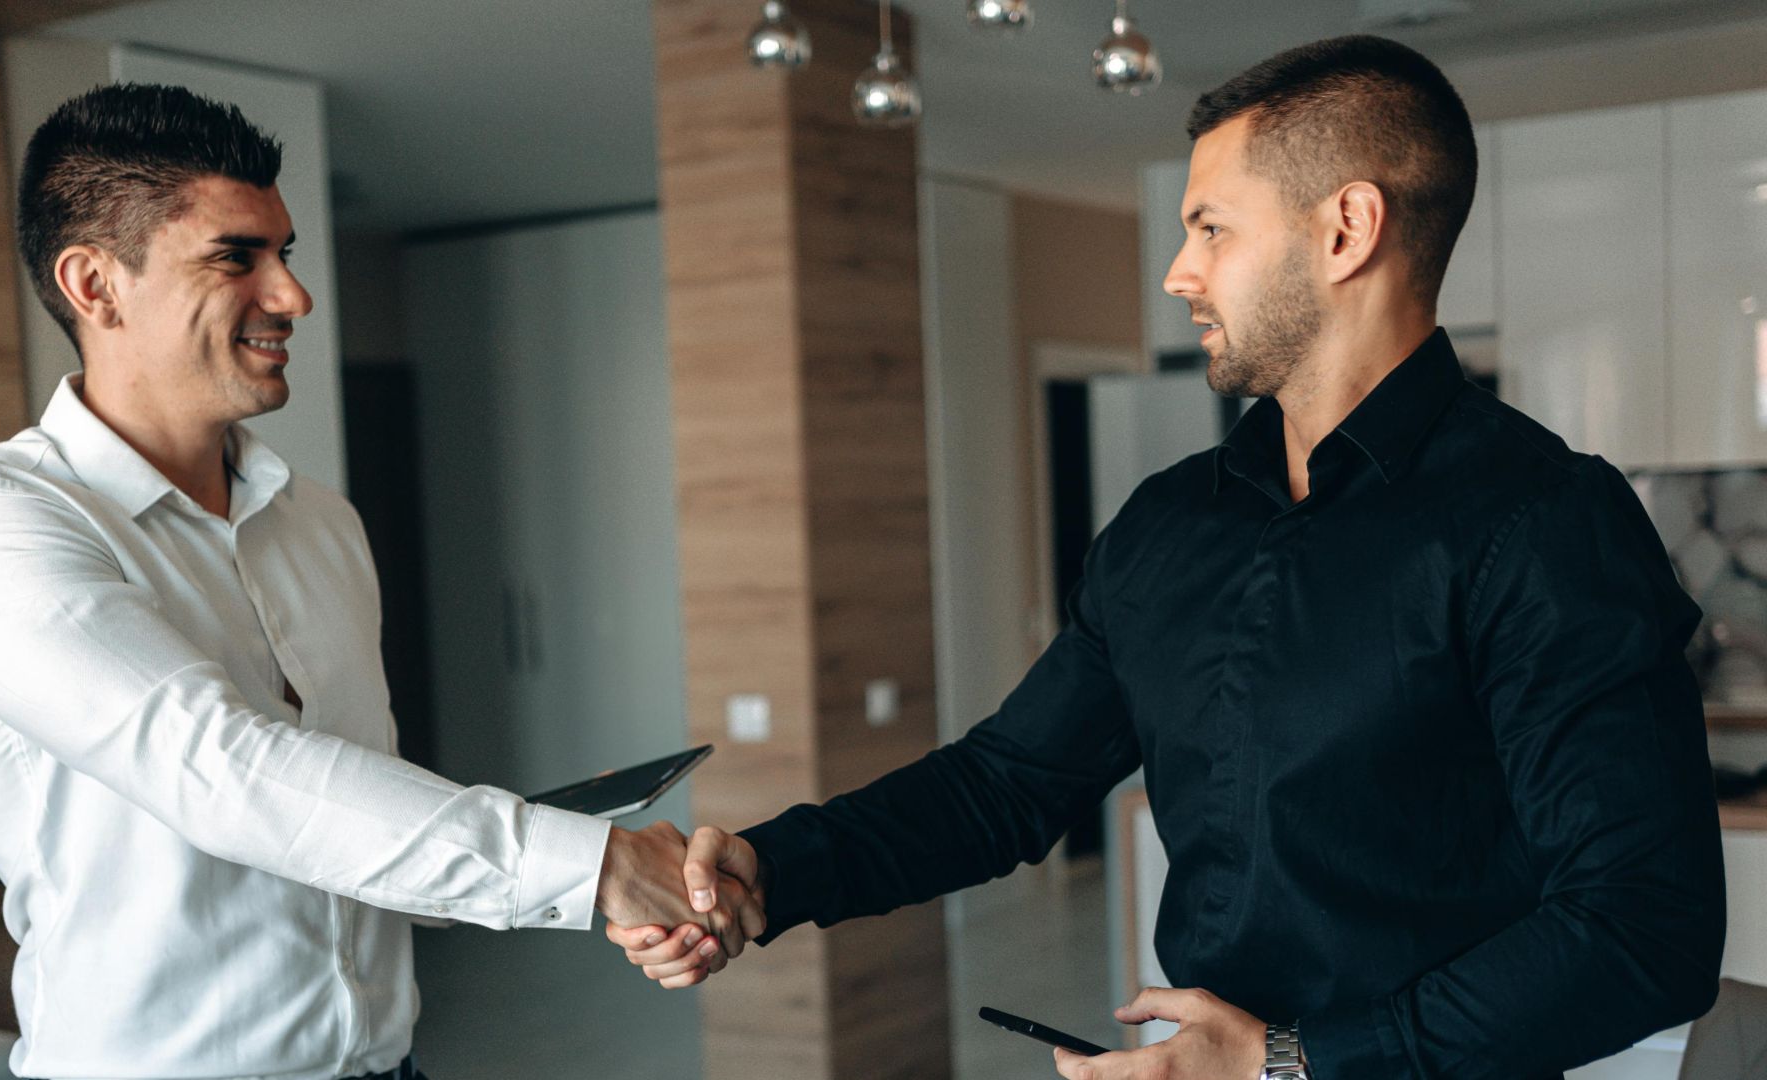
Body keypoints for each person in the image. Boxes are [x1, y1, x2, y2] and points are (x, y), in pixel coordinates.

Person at [610, 34, 1726, 1080]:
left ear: (1346, 230)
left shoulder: (1542, 523)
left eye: (1211, 229)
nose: (1177, 275)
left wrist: (1293, 1063)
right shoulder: (1165, 523)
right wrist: (769, 873)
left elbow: (1644, 927)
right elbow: (1007, 784)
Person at [0, 84, 761, 1080]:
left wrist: (618, 899)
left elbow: (342, 816)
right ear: (96, 284)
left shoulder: (321, 522)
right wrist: (595, 868)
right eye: (236, 257)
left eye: (286, 252)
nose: (293, 296)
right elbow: (224, 772)